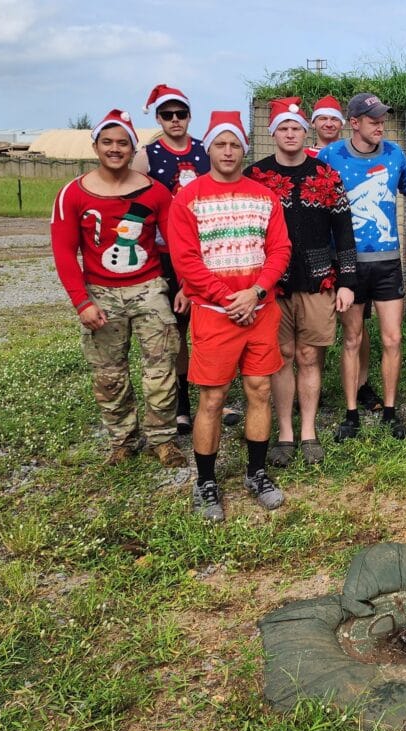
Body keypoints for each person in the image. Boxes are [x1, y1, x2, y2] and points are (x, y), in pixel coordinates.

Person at [168, 111, 291, 521]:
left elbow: (279, 251)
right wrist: (228, 298)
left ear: (244, 149)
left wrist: (254, 292)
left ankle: (256, 473)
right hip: (214, 314)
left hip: (260, 310)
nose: (227, 151)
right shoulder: (189, 197)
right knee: (213, 398)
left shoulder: (264, 196)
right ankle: (206, 481)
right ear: (208, 148)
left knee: (259, 390)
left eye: (234, 144)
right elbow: (185, 260)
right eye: (220, 144)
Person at [51, 109, 185, 468]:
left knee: (161, 367)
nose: (115, 149)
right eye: (107, 142)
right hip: (101, 292)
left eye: (122, 143)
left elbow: (176, 241)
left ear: (132, 147)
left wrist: (184, 285)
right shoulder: (73, 194)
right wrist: (82, 303)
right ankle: (123, 439)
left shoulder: (155, 192)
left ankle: (162, 438)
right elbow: (64, 253)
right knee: (109, 373)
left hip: (149, 289)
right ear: (95, 145)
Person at [245, 97, 357, 467]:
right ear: (273, 132)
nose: (290, 134)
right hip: (271, 281)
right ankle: (285, 433)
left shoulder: (325, 176)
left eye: (296, 128)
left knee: (309, 355)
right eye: (284, 128)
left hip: (318, 278)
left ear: (304, 131)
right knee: (282, 356)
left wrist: (346, 280)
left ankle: (308, 431)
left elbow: (344, 232)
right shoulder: (255, 177)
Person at [319, 93, 406, 441]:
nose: (380, 124)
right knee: (352, 338)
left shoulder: (394, 153)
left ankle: (391, 412)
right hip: (348, 265)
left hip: (388, 262)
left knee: (393, 338)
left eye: (382, 119)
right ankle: (350, 414)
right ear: (355, 123)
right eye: (373, 119)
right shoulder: (330, 155)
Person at [132, 83, 211, 435]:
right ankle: (181, 402)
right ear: (159, 118)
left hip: (207, 249)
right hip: (165, 252)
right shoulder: (147, 156)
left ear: (190, 116)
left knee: (207, 326)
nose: (175, 120)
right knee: (175, 329)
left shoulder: (206, 150)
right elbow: (134, 206)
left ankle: (213, 392)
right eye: (167, 114)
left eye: (181, 114)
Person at [306, 94, 383, 412]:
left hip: (354, 251)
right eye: (322, 118)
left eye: (333, 118)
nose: (328, 123)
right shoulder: (313, 158)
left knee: (357, 324)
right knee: (320, 324)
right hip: (324, 252)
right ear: (313, 124)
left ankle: (362, 384)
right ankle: (315, 386)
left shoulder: (353, 153)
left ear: (344, 123)